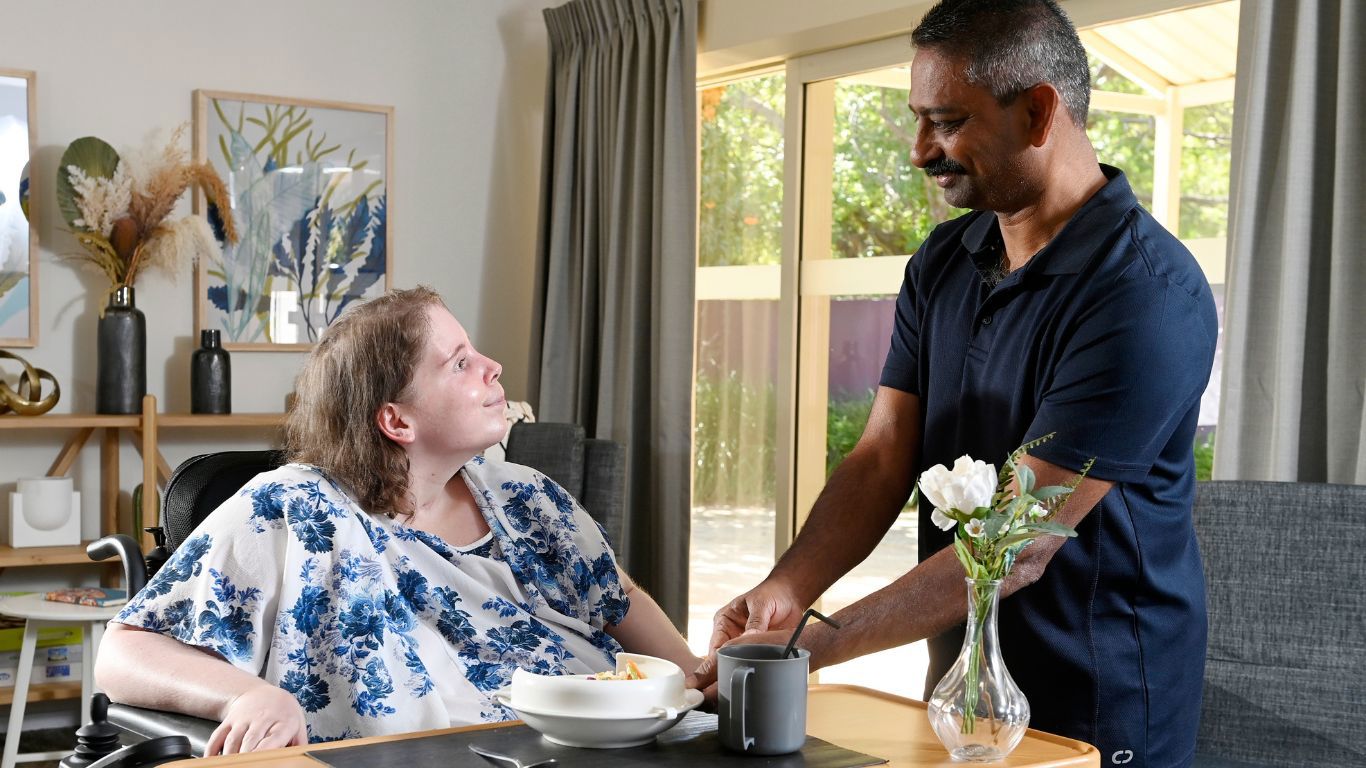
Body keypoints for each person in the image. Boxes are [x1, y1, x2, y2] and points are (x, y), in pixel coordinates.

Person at [696, 1, 1217, 766]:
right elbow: (882, 456)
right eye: (917, 119)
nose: (918, 151)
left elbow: (1018, 539)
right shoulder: (942, 262)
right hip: (960, 691)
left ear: (1039, 111)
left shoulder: (1145, 295)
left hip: (1099, 704)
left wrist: (806, 647)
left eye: (945, 121)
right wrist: (788, 590)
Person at [96, 286, 698, 755]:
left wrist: (702, 677)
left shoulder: (524, 497)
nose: (493, 366)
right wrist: (248, 696)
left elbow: (616, 601)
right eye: (460, 363)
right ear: (397, 421)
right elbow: (122, 655)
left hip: (604, 746)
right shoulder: (297, 509)